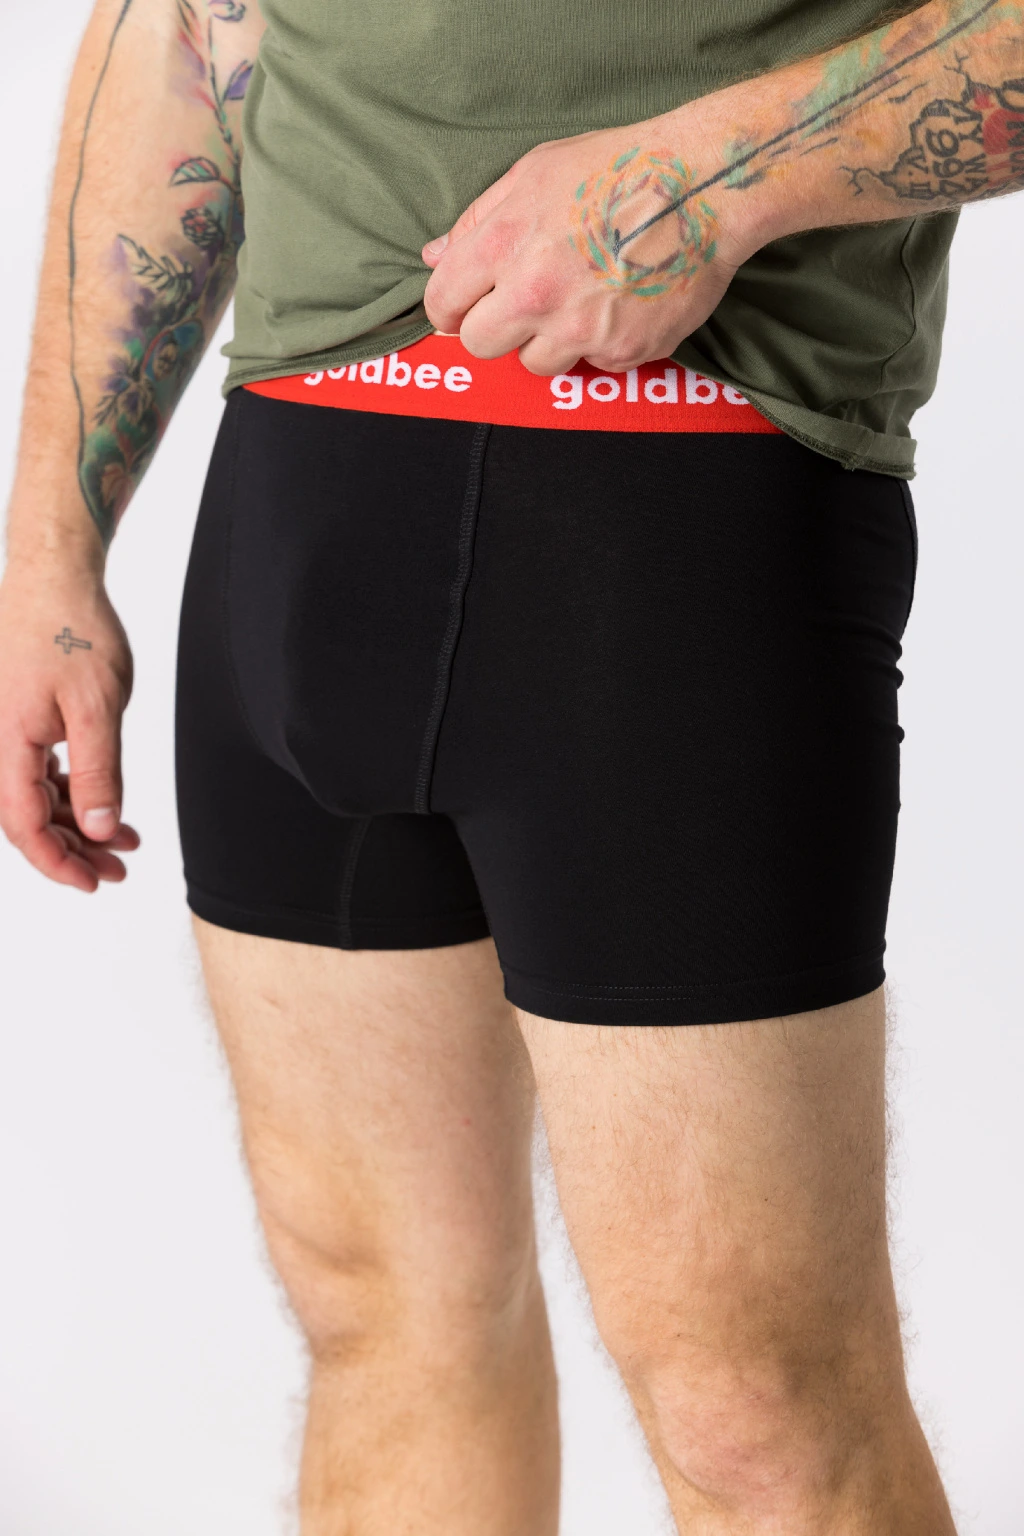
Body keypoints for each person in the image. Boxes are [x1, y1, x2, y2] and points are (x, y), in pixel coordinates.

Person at [1, 0, 1020, 1529]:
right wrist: (49, 546)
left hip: (679, 507)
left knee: (757, 1409)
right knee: (378, 1317)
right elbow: (185, 28)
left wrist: (706, 181)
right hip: (297, 497)